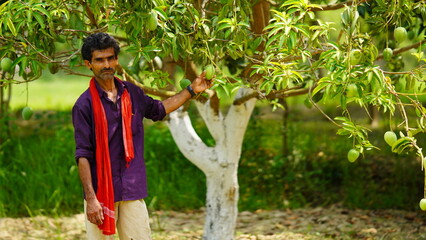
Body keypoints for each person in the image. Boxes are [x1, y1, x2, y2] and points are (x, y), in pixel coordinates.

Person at [72, 32, 212, 240]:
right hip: (101, 194)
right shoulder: (84, 105)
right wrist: (91, 199)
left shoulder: (132, 93)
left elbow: (158, 109)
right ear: (88, 64)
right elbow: (83, 155)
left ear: (117, 60)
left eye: (110, 58)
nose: (106, 64)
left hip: (131, 187)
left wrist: (191, 90)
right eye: (99, 60)